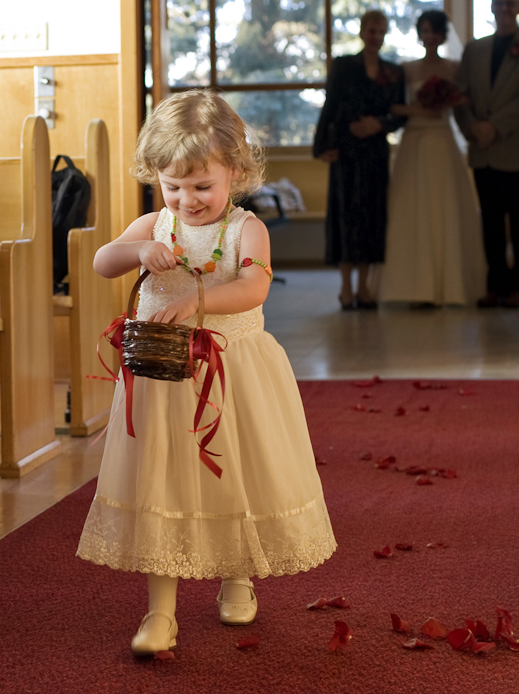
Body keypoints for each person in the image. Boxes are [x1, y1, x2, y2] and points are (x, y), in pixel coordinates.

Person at [76, 90, 337, 656]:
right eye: (173, 186)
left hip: (230, 369)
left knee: (233, 472)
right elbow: (101, 263)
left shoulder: (246, 229)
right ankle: (159, 612)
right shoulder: (154, 223)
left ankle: (238, 574)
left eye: (201, 186)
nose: (186, 200)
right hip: (163, 380)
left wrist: (198, 301)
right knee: (160, 478)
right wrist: (140, 249)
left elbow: (254, 285)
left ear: (236, 173)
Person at [454, 0, 519, 309]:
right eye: (499, 3)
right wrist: (472, 128)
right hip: (484, 154)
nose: (505, 8)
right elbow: (460, 97)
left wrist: (493, 127)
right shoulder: (474, 50)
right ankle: (495, 285)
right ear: (492, 7)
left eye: (511, 3)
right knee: (491, 225)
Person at [379, 10, 486, 307]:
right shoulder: (407, 69)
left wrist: (450, 99)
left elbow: (467, 99)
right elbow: (394, 107)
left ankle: (449, 286)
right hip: (413, 142)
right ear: (419, 34)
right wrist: (420, 110)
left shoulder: (454, 67)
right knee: (413, 211)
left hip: (442, 141)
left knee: (444, 208)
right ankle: (415, 288)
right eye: (425, 31)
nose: (430, 37)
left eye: (434, 31)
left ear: (442, 35)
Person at [312, 9, 406, 310]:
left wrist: (380, 125)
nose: (375, 36)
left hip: (375, 152)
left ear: (385, 33)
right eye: (371, 30)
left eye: (380, 31)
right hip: (346, 151)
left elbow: (398, 113)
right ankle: (345, 287)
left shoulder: (393, 71)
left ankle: (366, 286)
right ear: (362, 31)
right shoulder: (343, 66)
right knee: (345, 215)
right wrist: (319, 146)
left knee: (372, 215)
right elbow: (330, 106)